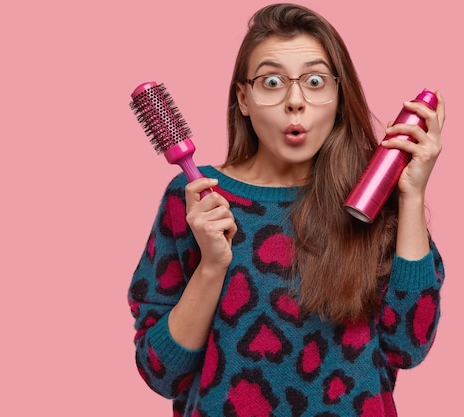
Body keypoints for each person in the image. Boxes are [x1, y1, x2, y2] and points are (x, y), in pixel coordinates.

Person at [127, 3, 445, 417]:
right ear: (243, 98)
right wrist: (211, 268)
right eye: (272, 81)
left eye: (315, 81)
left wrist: (412, 195)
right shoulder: (193, 198)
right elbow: (161, 373)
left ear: (338, 94)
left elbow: (408, 345)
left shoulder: (373, 200)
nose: (295, 101)